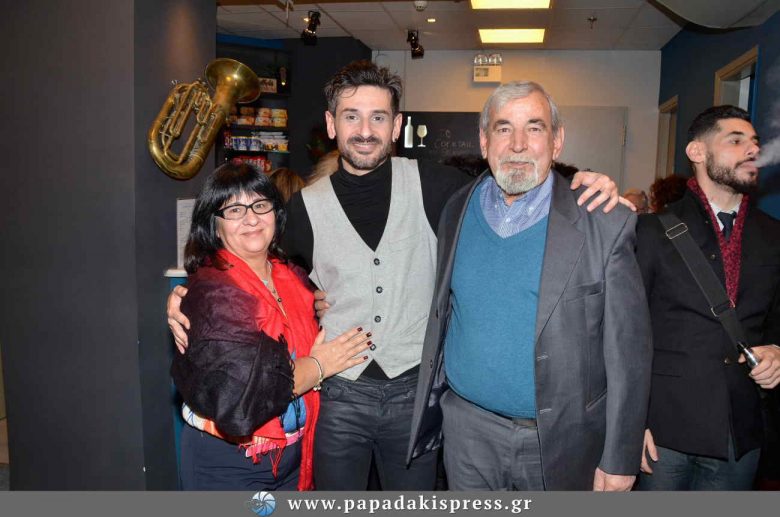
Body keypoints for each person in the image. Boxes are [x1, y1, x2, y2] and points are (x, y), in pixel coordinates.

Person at [168, 60, 624, 491]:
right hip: (340, 394)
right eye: (351, 117)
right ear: (331, 125)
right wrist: (195, 294)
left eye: (379, 118)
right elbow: (260, 267)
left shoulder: (440, 185)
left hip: (415, 393)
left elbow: (515, 179)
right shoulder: (302, 208)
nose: (365, 131)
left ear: (396, 125)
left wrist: (582, 183)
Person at [407, 80, 652, 491]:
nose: (518, 144)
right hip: (467, 434)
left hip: (562, 441)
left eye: (534, 128)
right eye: (503, 128)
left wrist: (620, 456)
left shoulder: (604, 221)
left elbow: (630, 352)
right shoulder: (457, 209)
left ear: (557, 141)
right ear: (484, 141)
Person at [171, 163, 371, 490]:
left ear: (275, 213)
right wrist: (319, 366)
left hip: (293, 457)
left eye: (260, 205)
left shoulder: (293, 277)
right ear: (214, 225)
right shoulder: (213, 292)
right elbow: (242, 398)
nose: (251, 218)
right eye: (234, 209)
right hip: (230, 463)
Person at [635, 105, 780, 490]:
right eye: (735, 140)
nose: (753, 150)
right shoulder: (651, 232)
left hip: (740, 429)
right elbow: (627, 333)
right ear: (697, 152)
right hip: (663, 429)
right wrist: (630, 422)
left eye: (755, 142)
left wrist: (777, 351)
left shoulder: (773, 237)